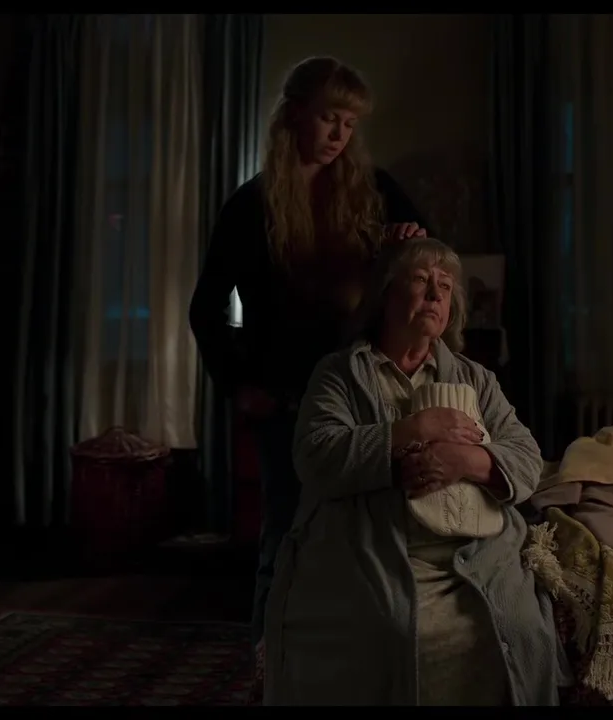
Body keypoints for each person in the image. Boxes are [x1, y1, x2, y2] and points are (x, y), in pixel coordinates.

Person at [189, 56, 428, 671]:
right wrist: (240, 384)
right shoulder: (253, 204)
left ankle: (353, 668)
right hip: (289, 397)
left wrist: (408, 245)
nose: (339, 134)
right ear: (294, 114)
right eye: (328, 118)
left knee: (371, 535)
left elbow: (431, 263)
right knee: (287, 533)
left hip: (366, 391)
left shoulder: (376, 189)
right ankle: (269, 671)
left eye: (350, 123)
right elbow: (206, 308)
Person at [262, 238, 567, 705]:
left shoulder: (474, 378)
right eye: (421, 280)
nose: (435, 293)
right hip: (376, 546)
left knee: (522, 626)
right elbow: (315, 455)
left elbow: (527, 458)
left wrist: (467, 461)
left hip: (475, 551)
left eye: (445, 286)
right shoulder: (341, 373)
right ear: (386, 294)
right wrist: (412, 429)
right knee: (392, 629)